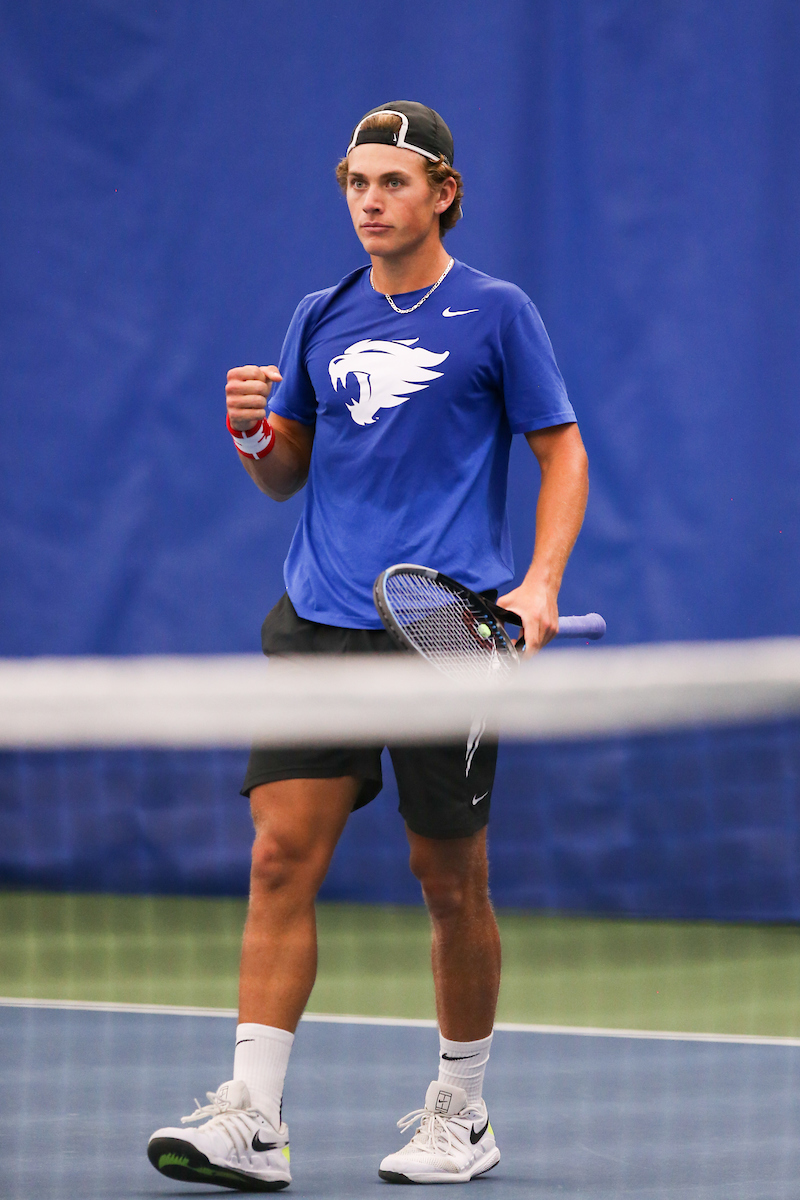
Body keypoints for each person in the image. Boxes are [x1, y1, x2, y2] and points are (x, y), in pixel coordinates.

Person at [148, 100, 588, 1190]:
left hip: (441, 630)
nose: (369, 201)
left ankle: (461, 1110)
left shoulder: (493, 313)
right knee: (278, 858)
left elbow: (561, 449)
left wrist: (535, 586)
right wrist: (253, 431)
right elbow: (285, 470)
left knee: (448, 881)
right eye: (355, 182)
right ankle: (251, 1115)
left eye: (392, 182)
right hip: (317, 623)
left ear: (441, 191)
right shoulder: (320, 313)